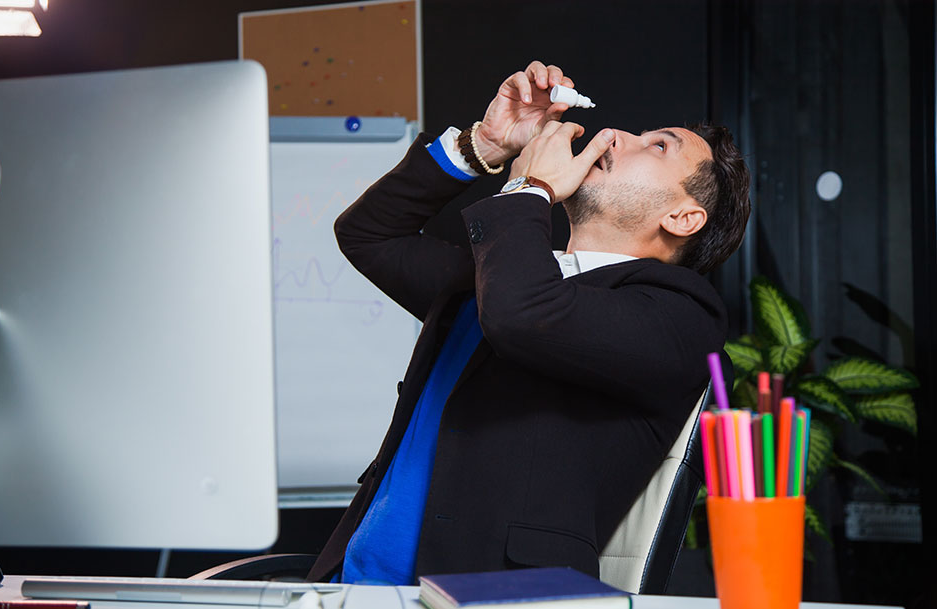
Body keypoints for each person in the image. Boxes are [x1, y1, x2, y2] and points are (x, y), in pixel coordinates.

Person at [307, 61, 751, 585]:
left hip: (495, 595)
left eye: (657, 147)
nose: (614, 135)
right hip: (354, 587)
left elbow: (524, 315)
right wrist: (485, 145)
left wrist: (530, 188)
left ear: (682, 218)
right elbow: (369, 234)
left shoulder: (681, 318)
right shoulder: (502, 275)